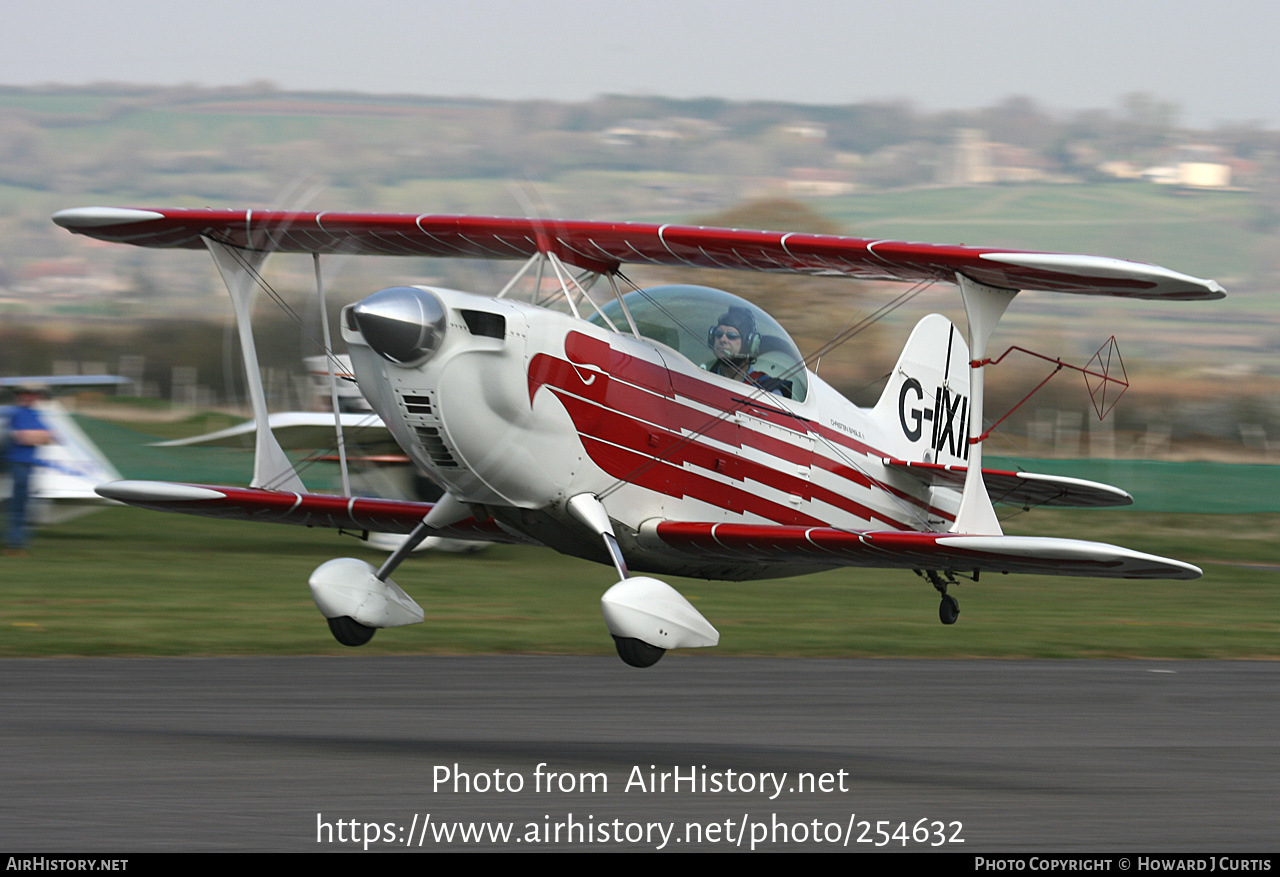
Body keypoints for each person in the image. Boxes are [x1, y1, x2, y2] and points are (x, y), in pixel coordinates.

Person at [4, 386, 52, 554]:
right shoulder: (17, 413)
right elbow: (25, 437)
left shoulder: (32, 414)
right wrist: (33, 436)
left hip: (24, 464)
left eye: (33, 395)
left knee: (20, 505)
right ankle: (16, 545)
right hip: (18, 464)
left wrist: (29, 436)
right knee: (19, 505)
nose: (31, 397)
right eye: (27, 394)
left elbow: (49, 437)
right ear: (19, 396)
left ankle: (14, 543)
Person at [706, 306, 793, 398]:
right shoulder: (703, 378)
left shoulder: (768, 391)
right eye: (718, 334)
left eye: (732, 336)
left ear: (749, 344)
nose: (723, 339)